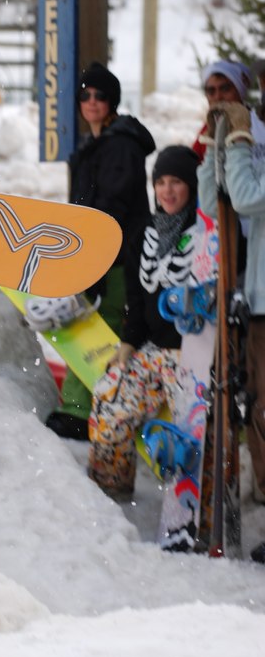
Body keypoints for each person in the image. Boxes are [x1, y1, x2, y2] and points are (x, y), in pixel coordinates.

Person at [44, 62, 156, 440]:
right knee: (93, 321)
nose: (92, 102)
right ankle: (86, 405)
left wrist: (93, 249)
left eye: (100, 96)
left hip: (118, 255)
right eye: (85, 95)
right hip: (99, 251)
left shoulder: (120, 144)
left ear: (113, 102)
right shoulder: (96, 145)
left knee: (102, 322)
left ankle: (87, 409)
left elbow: (113, 206)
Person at [88, 146, 200, 499]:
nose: (167, 191)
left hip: (196, 357)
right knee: (109, 399)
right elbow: (136, 302)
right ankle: (112, 492)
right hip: (153, 351)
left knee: (192, 434)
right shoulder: (144, 235)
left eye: (177, 182)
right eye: (161, 182)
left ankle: (194, 510)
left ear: (192, 186)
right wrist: (127, 345)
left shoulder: (211, 237)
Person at [198, 90, 265, 563]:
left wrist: (238, 140)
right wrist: (212, 148)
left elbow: (244, 197)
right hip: (258, 306)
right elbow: (214, 201)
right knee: (259, 414)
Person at [192, 59, 252, 162]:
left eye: (225, 89)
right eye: (211, 91)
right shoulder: (209, 129)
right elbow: (191, 164)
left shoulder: (259, 125)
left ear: (240, 91)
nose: (218, 97)